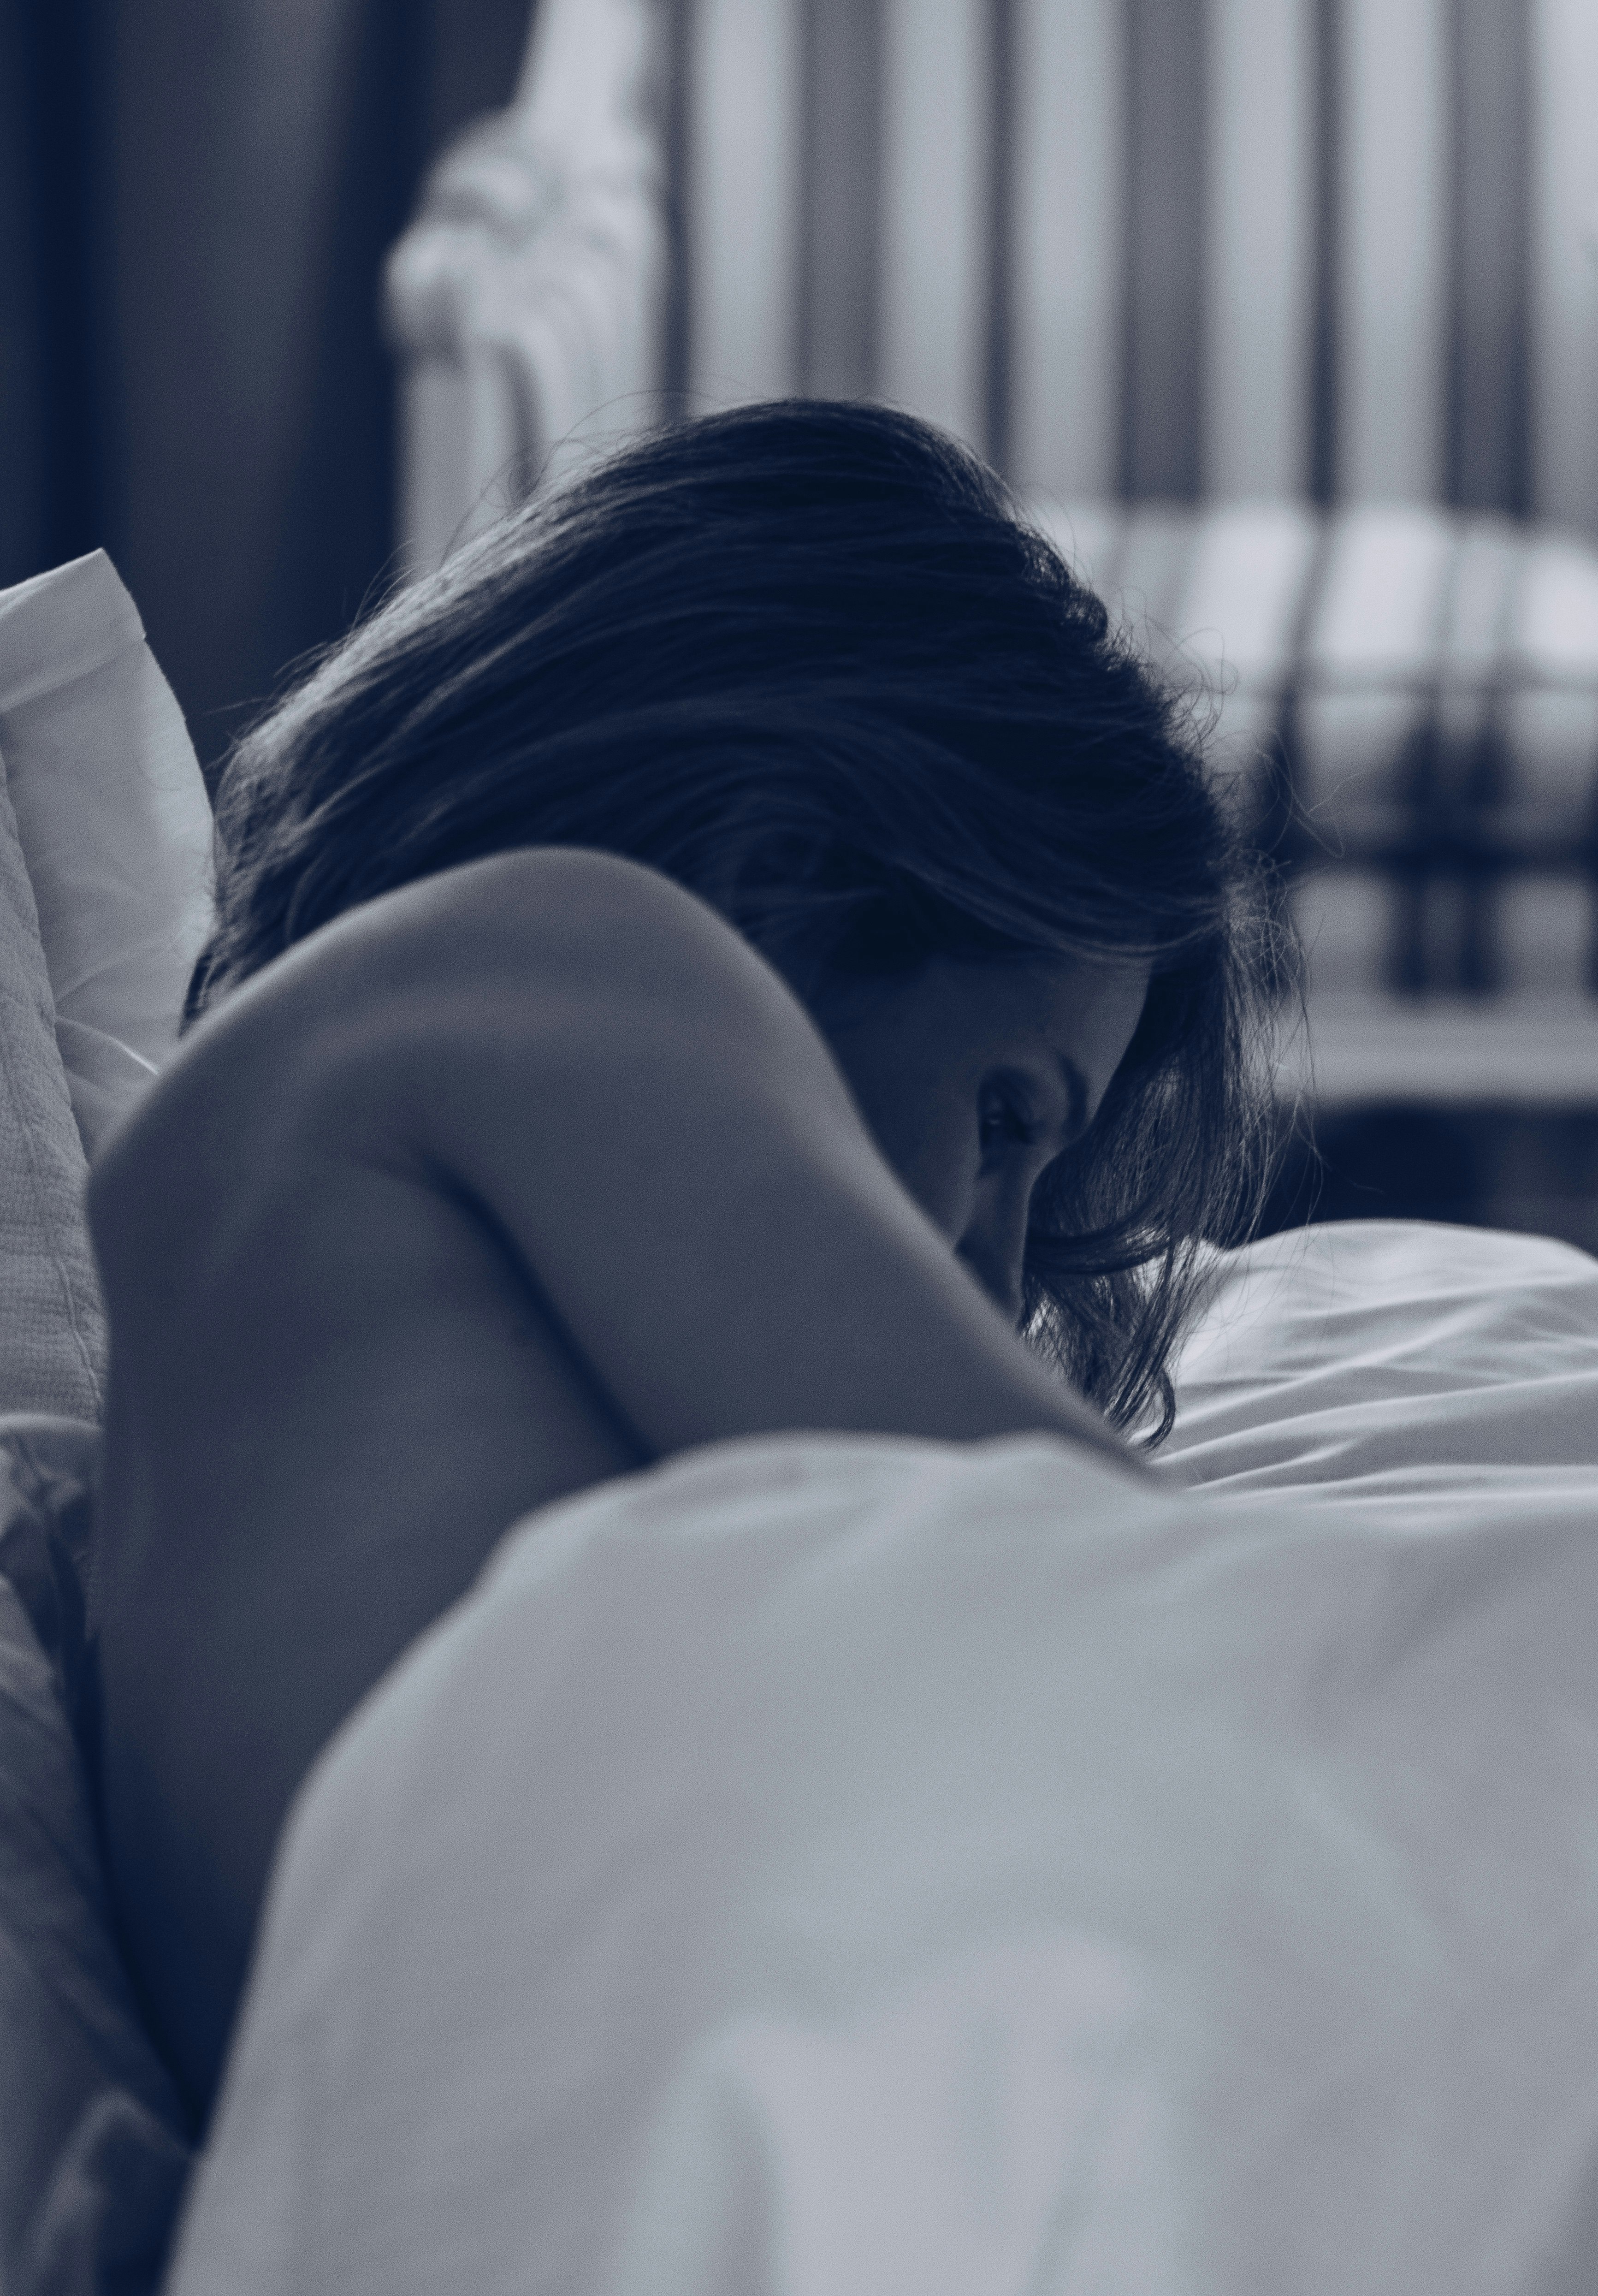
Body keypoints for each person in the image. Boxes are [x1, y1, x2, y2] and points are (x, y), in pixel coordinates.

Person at [87, 400, 1287, 2123]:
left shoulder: (325, 1208)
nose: (994, 1271)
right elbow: (1124, 1612)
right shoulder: (556, 944)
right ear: (780, 866)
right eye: (1007, 1120)